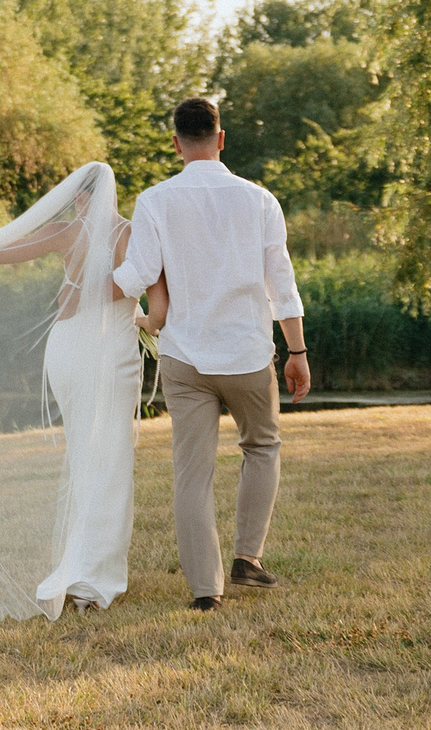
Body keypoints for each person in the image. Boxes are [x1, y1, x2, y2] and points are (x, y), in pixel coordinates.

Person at [0, 163, 167, 619]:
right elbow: (157, 305)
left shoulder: (66, 231)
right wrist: (143, 322)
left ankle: (82, 569)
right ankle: (92, 579)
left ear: (77, 196)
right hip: (106, 352)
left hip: (65, 348)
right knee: (111, 458)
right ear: (113, 194)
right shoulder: (130, 235)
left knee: (84, 457)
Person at [109, 96, 308, 611]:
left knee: (191, 473)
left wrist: (89, 291)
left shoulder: (154, 200)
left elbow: (137, 274)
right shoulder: (259, 199)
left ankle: (205, 592)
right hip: (246, 354)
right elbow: (280, 280)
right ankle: (248, 557)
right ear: (221, 139)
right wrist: (297, 350)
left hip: (185, 359)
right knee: (261, 447)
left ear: (176, 144)